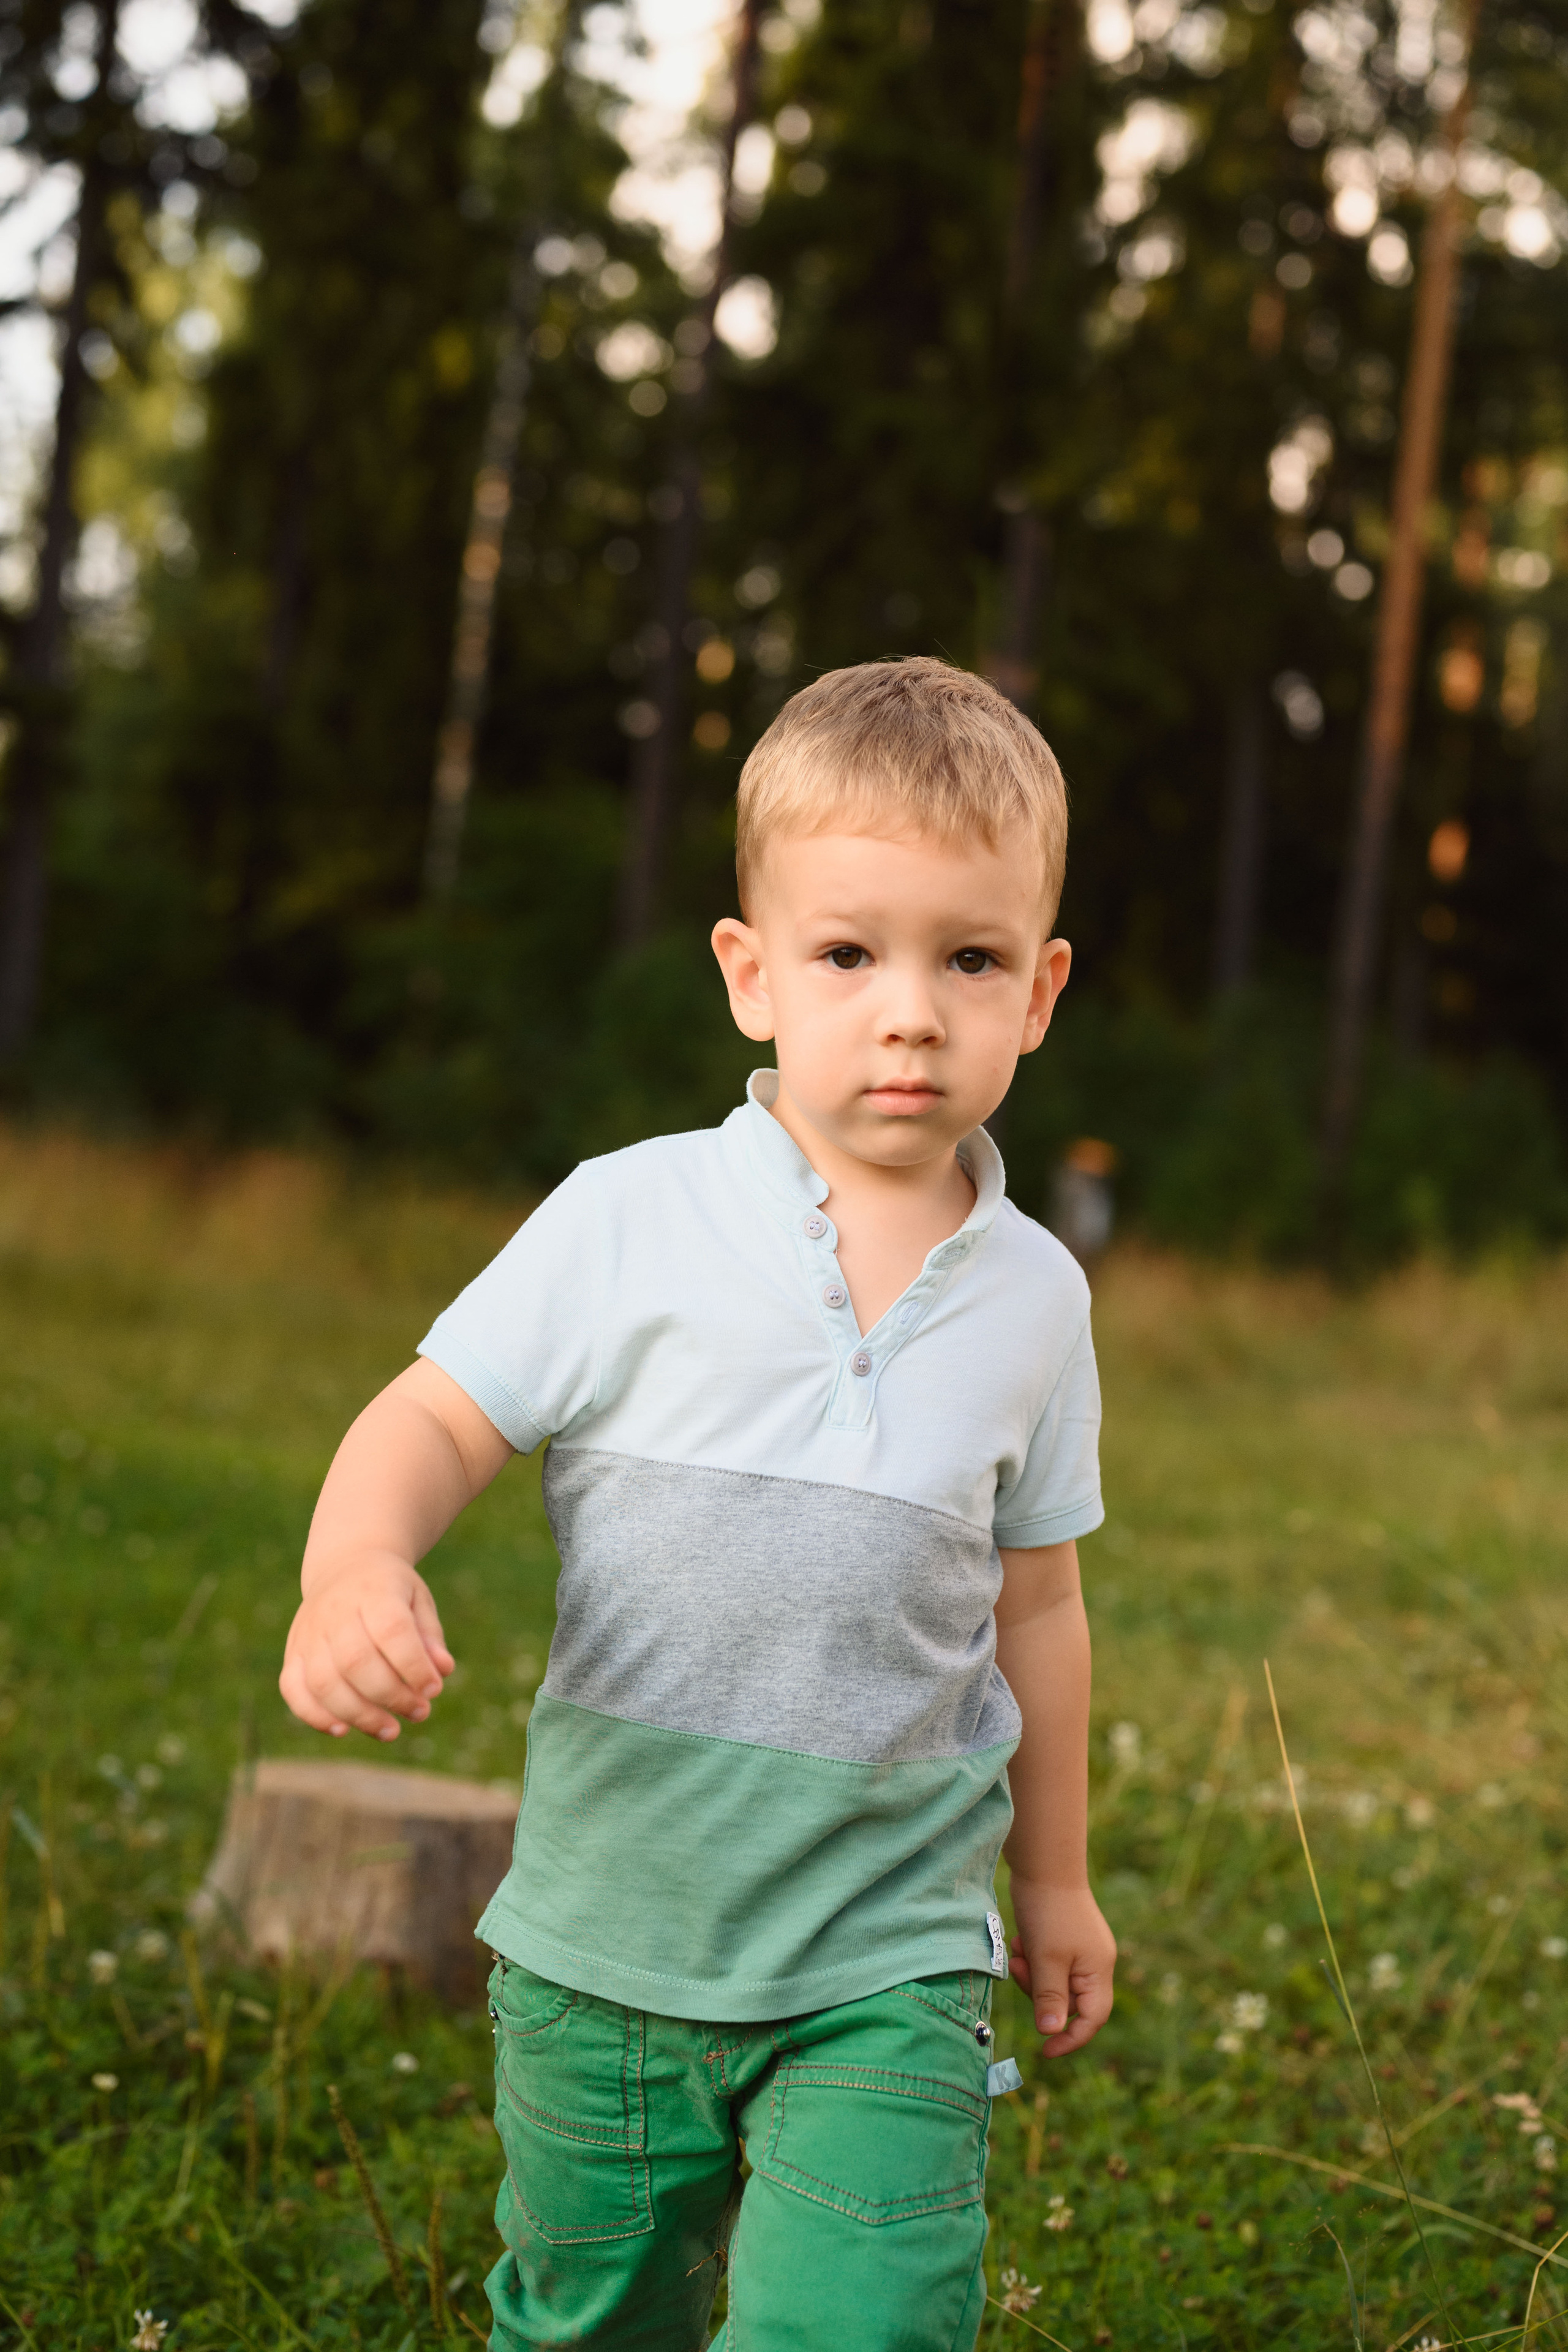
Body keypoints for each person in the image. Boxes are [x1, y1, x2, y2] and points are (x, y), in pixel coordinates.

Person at [279, 656, 1117, 2350]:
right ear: (751, 976)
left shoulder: (1037, 1296)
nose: (909, 1011)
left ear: (1039, 992)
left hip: (891, 1955)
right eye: (847, 954)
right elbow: (433, 1420)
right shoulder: (626, 1219)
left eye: (969, 959)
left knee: (860, 2323)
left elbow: (1040, 1608)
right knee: (594, 2322)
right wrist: (355, 1561)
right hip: (606, 1947)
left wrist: (1056, 1882)